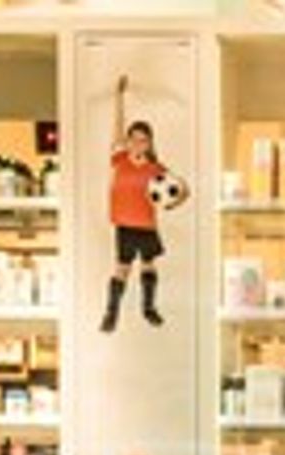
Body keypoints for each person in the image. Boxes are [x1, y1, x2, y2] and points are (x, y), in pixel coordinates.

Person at [103, 75, 176, 331]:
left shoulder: (156, 169)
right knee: (121, 269)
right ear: (129, 140)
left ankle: (149, 308)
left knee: (148, 264)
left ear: (149, 143)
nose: (137, 143)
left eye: (142, 140)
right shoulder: (120, 159)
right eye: (133, 138)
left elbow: (175, 191)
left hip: (146, 224)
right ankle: (111, 313)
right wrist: (119, 98)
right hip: (124, 224)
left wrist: (176, 201)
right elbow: (117, 128)